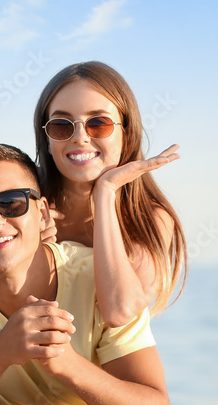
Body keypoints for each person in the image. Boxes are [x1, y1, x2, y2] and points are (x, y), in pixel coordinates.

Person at [0, 143, 168, 405]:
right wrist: (0, 353)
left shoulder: (100, 279)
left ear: (41, 214)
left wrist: (69, 365)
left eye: (11, 203)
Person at [33, 61, 186, 327]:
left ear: (126, 134)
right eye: (61, 125)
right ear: (46, 139)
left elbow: (119, 312)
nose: (79, 137)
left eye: (98, 123)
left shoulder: (151, 219)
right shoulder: (15, 202)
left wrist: (105, 193)